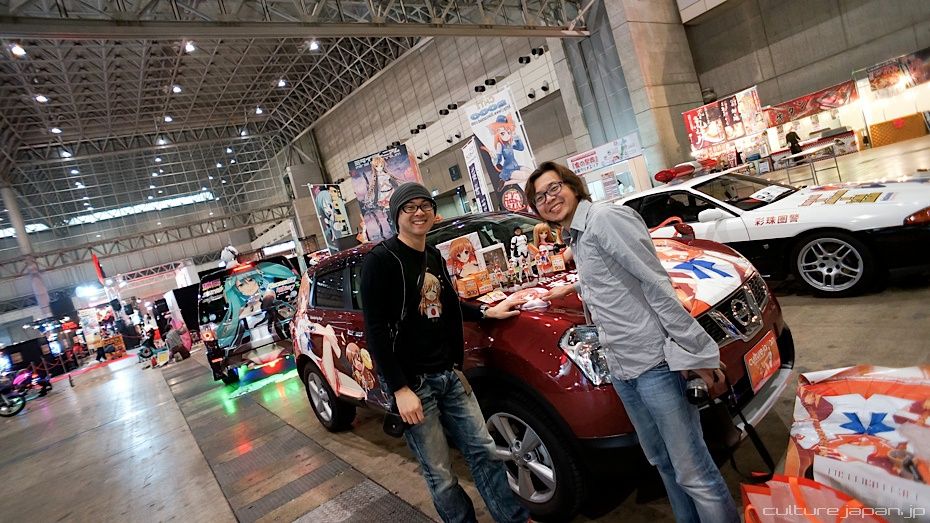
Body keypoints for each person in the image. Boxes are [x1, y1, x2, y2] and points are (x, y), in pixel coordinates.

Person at [526, 162, 740, 523]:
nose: (549, 199)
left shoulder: (605, 219)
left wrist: (697, 352)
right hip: (623, 368)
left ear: (573, 185)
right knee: (663, 463)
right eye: (539, 197)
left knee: (693, 471)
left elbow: (654, 281)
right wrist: (571, 288)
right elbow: (610, 274)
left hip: (654, 364)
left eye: (554, 188)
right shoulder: (578, 235)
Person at [360, 182, 530, 523]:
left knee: (484, 451)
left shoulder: (432, 255)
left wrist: (486, 312)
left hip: (448, 374)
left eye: (425, 205)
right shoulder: (380, 261)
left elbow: (448, 304)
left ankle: (512, 517)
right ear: (396, 215)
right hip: (414, 385)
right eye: (409, 207)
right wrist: (400, 389)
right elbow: (374, 330)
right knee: (440, 473)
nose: (419, 212)